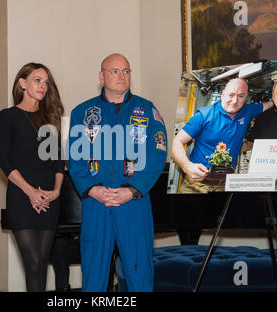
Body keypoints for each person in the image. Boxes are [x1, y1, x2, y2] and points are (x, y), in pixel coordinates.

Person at [67, 53, 167, 291]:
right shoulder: (82, 112)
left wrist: (133, 190)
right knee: (93, 275)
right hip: (96, 203)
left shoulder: (147, 110)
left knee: (139, 272)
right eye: (115, 71)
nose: (122, 76)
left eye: (126, 71)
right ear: (102, 76)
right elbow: (74, 156)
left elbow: (157, 155)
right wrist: (92, 190)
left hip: (133, 203)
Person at [0, 63, 65, 292]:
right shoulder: (8, 116)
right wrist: (30, 192)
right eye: (37, 80)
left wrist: (55, 192)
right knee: (33, 262)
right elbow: (4, 161)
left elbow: (57, 162)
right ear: (22, 83)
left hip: (49, 199)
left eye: (46, 82)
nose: (43, 86)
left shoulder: (51, 119)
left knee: (42, 265)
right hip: (21, 198)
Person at [171, 78, 277, 193]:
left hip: (227, 185)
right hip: (198, 184)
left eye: (241, 96)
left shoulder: (248, 111)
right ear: (223, 95)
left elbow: (267, 105)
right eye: (231, 95)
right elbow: (177, 142)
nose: (235, 100)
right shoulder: (204, 115)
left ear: (246, 98)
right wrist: (187, 167)